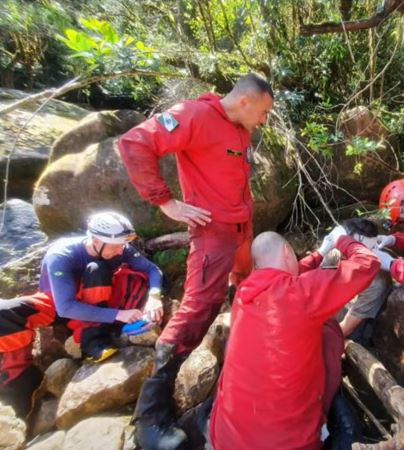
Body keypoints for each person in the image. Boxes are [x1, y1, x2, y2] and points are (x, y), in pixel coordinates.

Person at [117, 73, 274, 450]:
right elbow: (134, 142)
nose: (265, 121)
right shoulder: (193, 115)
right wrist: (165, 202)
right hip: (212, 231)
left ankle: (242, 358)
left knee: (245, 283)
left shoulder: (240, 129)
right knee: (197, 309)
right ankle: (149, 418)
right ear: (245, 102)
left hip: (241, 227)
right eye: (264, 112)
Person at [208, 228, 380, 450]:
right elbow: (368, 263)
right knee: (327, 332)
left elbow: (284, 276)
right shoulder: (300, 295)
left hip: (225, 439)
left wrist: (320, 254)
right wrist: (342, 239)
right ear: (288, 253)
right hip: (287, 444)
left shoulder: (244, 292)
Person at [0, 211, 163, 418]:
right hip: (59, 303)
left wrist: (155, 296)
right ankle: (20, 381)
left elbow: (152, 271)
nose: (121, 250)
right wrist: (119, 314)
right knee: (4, 314)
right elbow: (65, 307)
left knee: (97, 268)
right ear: (95, 240)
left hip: (98, 296)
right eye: (116, 246)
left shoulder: (119, 250)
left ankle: (92, 341)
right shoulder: (61, 255)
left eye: (123, 245)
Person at [320, 218, 391, 340]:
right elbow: (316, 285)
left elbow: (346, 328)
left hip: (347, 328)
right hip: (325, 312)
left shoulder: (376, 282)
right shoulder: (336, 253)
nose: (346, 249)